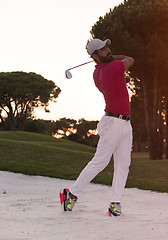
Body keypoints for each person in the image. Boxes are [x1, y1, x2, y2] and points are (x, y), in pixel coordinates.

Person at [59, 38, 135, 217]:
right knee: (100, 162)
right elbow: (131, 59)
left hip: (124, 123)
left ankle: (115, 203)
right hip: (113, 123)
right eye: (103, 49)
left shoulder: (99, 71)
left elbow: (121, 62)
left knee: (123, 165)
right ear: (95, 55)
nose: (108, 49)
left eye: (108, 46)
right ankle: (71, 195)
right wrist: (113, 57)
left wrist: (107, 57)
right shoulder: (110, 68)